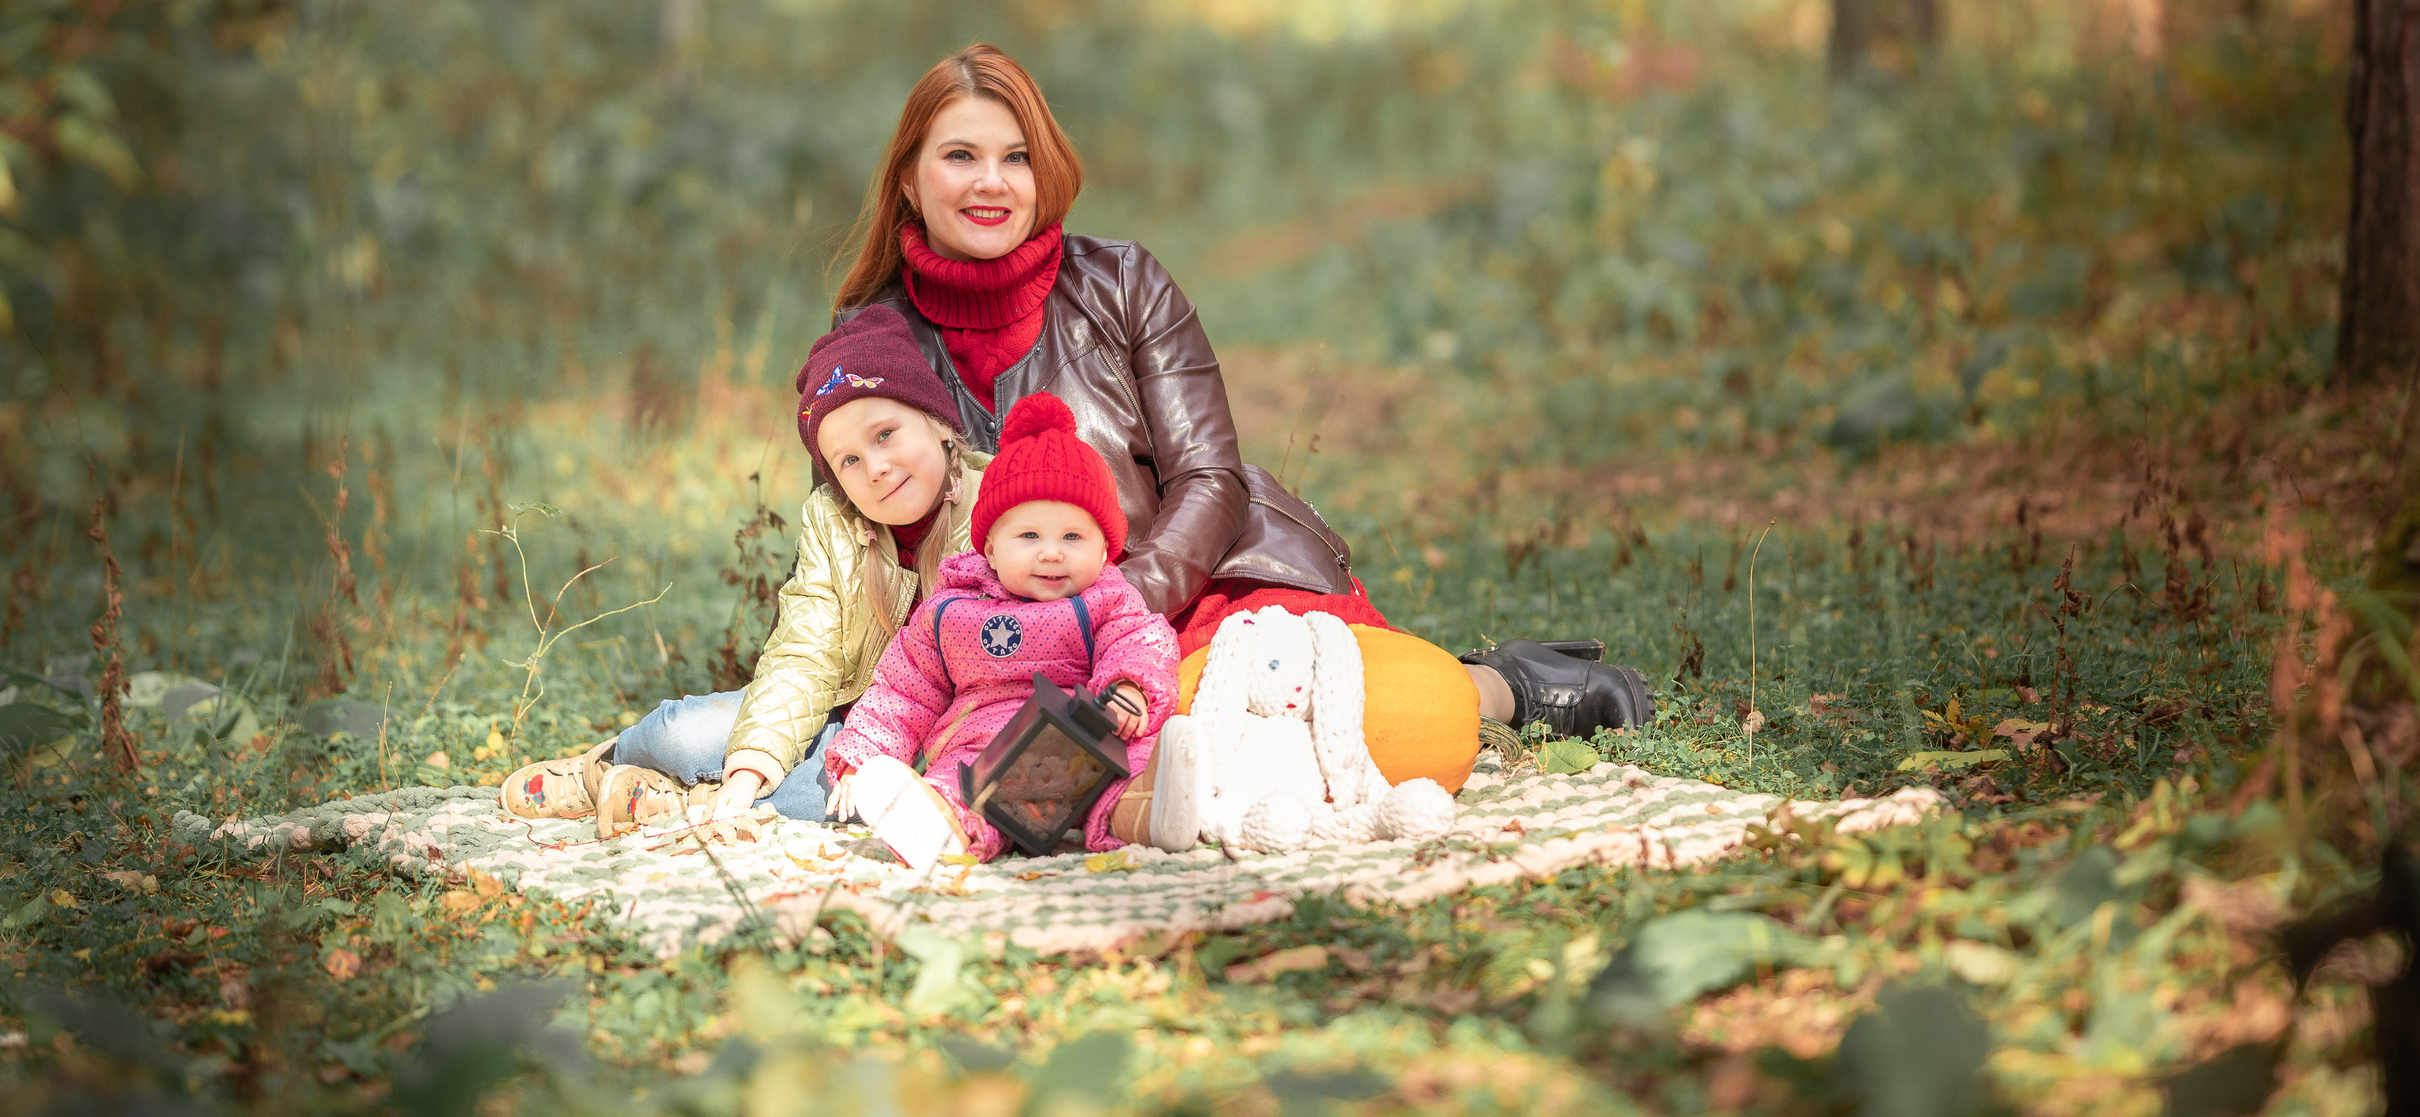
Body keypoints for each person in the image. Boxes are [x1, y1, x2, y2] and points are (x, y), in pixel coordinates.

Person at [827, 44, 1649, 787]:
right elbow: (854, 534)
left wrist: (1101, 610)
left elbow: (1210, 478)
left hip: (1177, 594)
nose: (991, 182)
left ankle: (1508, 684)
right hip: (985, 650)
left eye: (1016, 157)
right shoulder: (869, 345)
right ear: (909, 177)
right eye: (960, 156)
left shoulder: (1121, 282)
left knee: (1326, 719)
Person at [499, 306, 985, 833]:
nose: (875, 468)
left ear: (938, 421)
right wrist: (749, 768)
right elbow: (806, 654)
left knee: (838, 802)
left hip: (928, 739)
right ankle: (606, 768)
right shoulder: (835, 522)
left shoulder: (1000, 512)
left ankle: (671, 804)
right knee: (683, 734)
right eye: (847, 461)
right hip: (837, 710)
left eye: (885, 434)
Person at [826, 392, 1194, 863]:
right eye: (1029, 536)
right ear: (991, 550)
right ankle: (939, 826)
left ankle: (1153, 810)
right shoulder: (952, 610)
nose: (1051, 552)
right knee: (963, 783)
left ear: (1104, 551)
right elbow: (904, 690)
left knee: (1131, 768)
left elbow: (1140, 641)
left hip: (1089, 733)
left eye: (1073, 537)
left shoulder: (1106, 599)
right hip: (988, 742)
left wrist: (1130, 688)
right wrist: (859, 756)